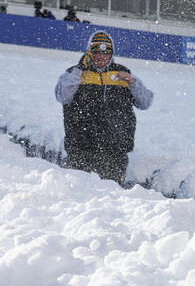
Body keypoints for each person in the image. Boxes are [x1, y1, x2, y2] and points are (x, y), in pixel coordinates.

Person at [54, 30, 153, 184]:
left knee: (110, 197)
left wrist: (132, 82)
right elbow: (63, 97)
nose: (101, 57)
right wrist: (80, 70)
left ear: (111, 54)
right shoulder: (74, 73)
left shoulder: (123, 74)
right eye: (96, 53)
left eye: (106, 53)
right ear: (89, 53)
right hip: (80, 148)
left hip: (115, 151)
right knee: (77, 194)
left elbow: (145, 102)